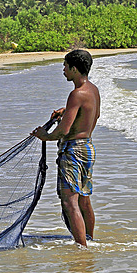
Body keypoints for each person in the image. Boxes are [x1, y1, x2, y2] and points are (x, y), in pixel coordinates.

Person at [31, 49, 100, 247]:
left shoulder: (76, 94)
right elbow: (93, 116)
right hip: (87, 148)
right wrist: (67, 111)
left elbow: (64, 130)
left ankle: (81, 249)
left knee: (71, 202)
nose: (63, 70)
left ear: (75, 69)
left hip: (73, 151)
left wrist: (45, 136)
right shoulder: (93, 90)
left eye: (65, 66)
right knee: (84, 200)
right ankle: (90, 241)